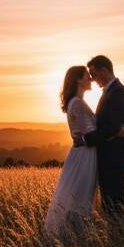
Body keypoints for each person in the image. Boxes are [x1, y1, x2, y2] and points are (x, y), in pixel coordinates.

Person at [76, 55, 124, 224]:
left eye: (93, 74)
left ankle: (122, 242)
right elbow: (111, 129)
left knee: (115, 207)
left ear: (104, 70)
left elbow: (111, 128)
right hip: (109, 157)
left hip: (114, 158)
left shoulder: (118, 92)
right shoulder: (111, 91)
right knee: (110, 207)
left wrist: (85, 139)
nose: (92, 79)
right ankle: (118, 240)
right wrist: (114, 131)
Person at [44, 66, 99, 235]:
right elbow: (91, 133)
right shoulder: (77, 103)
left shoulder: (76, 102)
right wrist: (114, 132)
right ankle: (73, 236)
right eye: (86, 76)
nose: (90, 78)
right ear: (78, 80)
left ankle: (74, 235)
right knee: (79, 196)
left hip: (83, 153)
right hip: (84, 155)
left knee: (78, 195)